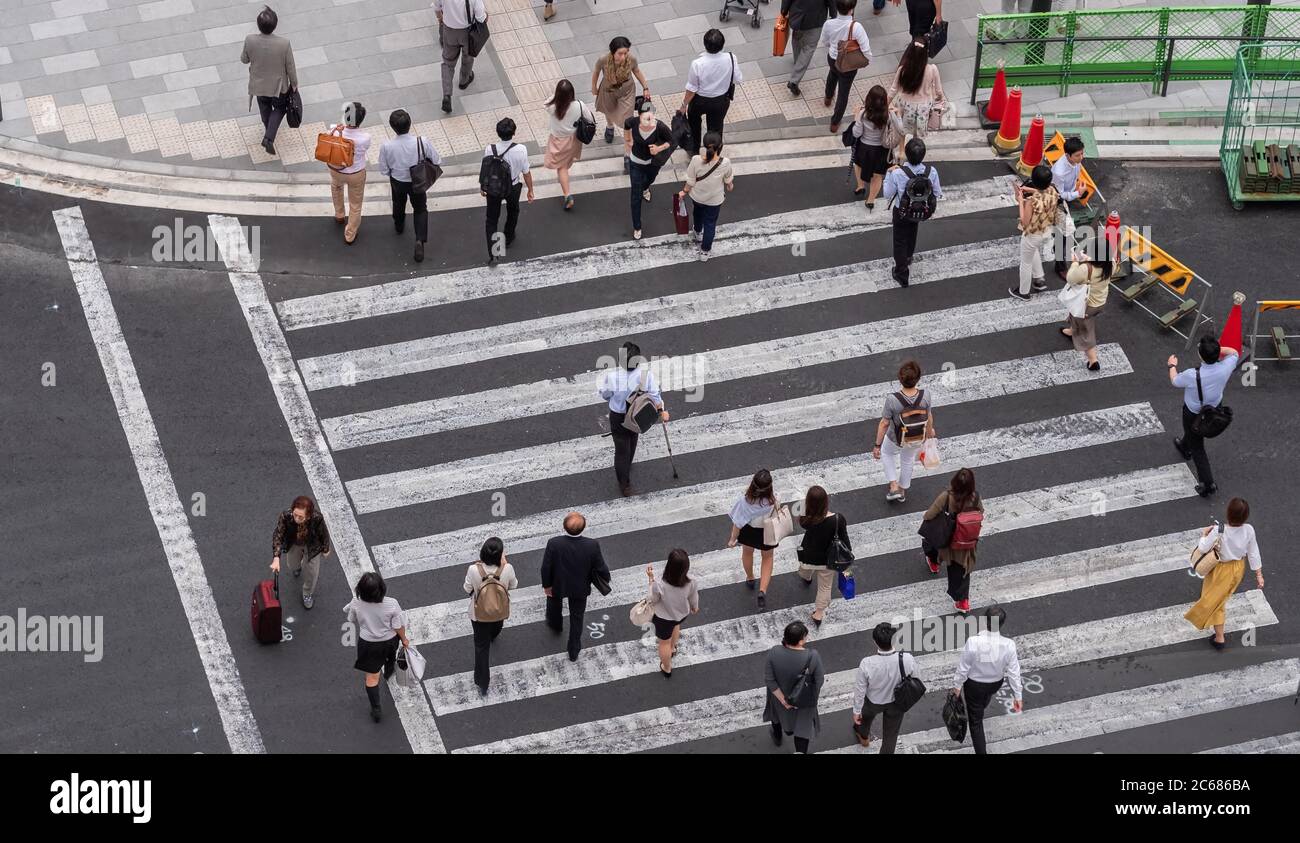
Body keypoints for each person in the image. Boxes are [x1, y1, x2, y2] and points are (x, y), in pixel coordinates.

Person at [1185, 498, 1264, 649]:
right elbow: (1253, 552)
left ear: (1228, 513)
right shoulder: (1249, 530)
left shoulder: (1219, 530)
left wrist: (1203, 534)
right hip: (1238, 568)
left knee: (1216, 602)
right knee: (1220, 598)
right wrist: (1259, 574)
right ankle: (1218, 634)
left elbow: (1202, 548)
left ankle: (1219, 638)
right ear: (1245, 516)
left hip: (1221, 570)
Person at [1170, 335, 1239, 497]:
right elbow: (1234, 352)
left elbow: (1175, 381)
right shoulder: (1227, 365)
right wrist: (1215, 351)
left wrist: (1171, 366)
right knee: (1192, 435)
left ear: (1200, 355)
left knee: (1198, 447)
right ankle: (1184, 445)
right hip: (1215, 407)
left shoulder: (1192, 375)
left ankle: (1208, 484)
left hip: (1193, 412)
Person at [597, 340, 669, 496]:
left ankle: (624, 484)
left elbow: (605, 395)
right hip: (638, 414)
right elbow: (655, 395)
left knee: (621, 450)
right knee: (633, 438)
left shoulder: (613, 377)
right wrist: (662, 410)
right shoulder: (645, 375)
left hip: (618, 416)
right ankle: (628, 464)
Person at [539, 512, 611, 662]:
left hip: (558, 584)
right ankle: (573, 650)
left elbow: (546, 567)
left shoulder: (554, 543)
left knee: (554, 604)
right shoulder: (592, 545)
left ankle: (555, 624)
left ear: (564, 527)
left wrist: (547, 585)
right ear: (583, 528)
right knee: (577, 617)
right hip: (580, 587)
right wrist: (606, 578)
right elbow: (601, 567)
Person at [952, 605, 1022, 754]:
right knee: (982, 702)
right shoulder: (1009, 645)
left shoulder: (973, 641)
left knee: (976, 722)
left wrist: (957, 687)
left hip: (974, 685)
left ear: (985, 621)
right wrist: (1018, 696)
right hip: (994, 684)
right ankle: (979, 708)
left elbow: (963, 667)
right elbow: (1014, 672)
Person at [345, 572, 410, 723]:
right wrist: (404, 639)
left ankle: (376, 709)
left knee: (372, 677)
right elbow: (398, 625)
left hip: (368, 643)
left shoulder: (356, 603)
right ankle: (389, 671)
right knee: (390, 655)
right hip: (389, 640)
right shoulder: (392, 604)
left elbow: (350, 618)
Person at [377, 109, 441, 263]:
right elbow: (437, 160)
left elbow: (383, 169)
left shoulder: (386, 146)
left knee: (398, 203)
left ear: (392, 127)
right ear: (410, 124)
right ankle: (419, 240)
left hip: (398, 181)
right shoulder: (422, 142)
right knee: (420, 208)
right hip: (418, 181)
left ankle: (399, 225)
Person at [881, 138, 942, 286]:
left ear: (906, 154)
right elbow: (937, 192)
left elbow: (887, 194)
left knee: (899, 240)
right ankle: (908, 257)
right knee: (912, 231)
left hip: (901, 211)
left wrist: (888, 174)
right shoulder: (931, 171)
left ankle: (901, 273)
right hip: (921, 209)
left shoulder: (897, 173)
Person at [920, 468, 983, 613]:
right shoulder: (975, 497)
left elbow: (930, 514)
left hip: (947, 539)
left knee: (931, 538)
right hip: (965, 541)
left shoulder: (947, 497)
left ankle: (934, 563)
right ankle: (962, 602)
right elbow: (981, 511)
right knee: (960, 571)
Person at [872, 359, 935, 503]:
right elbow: (929, 416)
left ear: (900, 378)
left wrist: (877, 445)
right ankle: (902, 491)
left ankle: (893, 485)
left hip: (896, 437)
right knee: (907, 460)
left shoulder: (892, 399)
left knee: (886, 453)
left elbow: (884, 423)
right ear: (918, 378)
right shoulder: (926, 395)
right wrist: (929, 433)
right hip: (917, 437)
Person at [852, 622, 917, 753]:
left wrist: (856, 710)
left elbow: (860, 689)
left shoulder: (867, 663)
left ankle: (863, 736)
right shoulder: (907, 659)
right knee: (891, 735)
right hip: (897, 703)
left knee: (865, 718)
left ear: (875, 642)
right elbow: (916, 678)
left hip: (873, 701)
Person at [240, 7, 298, 156]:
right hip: (279, 87)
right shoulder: (284, 44)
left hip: (259, 84)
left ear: (258, 25)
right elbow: (290, 66)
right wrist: (295, 83)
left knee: (264, 107)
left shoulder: (250, 40)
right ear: (275, 25)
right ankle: (269, 138)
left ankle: (268, 130)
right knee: (279, 108)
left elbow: (244, 60)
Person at [463, 536, 517, 695]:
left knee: (481, 648)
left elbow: (467, 589)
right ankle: (493, 634)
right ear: (500, 555)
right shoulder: (507, 568)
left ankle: (483, 683)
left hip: (479, 614)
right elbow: (514, 585)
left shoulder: (474, 569)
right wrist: (505, 565)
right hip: (499, 610)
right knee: (496, 625)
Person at [763, 621, 824, 753]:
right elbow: (819, 681)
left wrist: (783, 701)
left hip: (779, 699)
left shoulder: (774, 652)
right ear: (801, 641)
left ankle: (777, 737)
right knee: (802, 731)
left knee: (777, 718)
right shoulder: (812, 656)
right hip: (803, 703)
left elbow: (769, 680)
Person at [796, 485, 851, 628]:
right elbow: (844, 539)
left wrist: (805, 504)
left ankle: (806, 578)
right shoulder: (837, 519)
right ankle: (819, 614)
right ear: (826, 500)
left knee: (805, 569)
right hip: (829, 559)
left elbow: (801, 519)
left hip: (809, 554)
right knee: (825, 587)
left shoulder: (806, 518)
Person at [481, 117, 535, 264]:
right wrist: (530, 189)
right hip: (513, 186)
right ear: (514, 133)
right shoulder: (521, 150)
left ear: (498, 133)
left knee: (492, 219)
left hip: (493, 188)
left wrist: (483, 186)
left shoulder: (489, 149)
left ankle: (494, 254)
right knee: (513, 211)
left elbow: (486, 169)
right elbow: (526, 172)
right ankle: (508, 237)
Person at [680, 29, 742, 156]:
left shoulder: (697, 64)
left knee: (694, 124)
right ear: (722, 44)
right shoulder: (731, 58)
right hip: (720, 101)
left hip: (699, 100)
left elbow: (692, 88)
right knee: (716, 128)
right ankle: (714, 153)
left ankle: (694, 150)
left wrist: (684, 105)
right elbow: (738, 79)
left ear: (705, 44)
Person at [1008, 163, 1065, 301]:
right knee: (1033, 252)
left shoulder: (1031, 202)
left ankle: (1023, 292)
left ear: (1034, 181)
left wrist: (1021, 201)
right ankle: (1039, 280)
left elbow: (1024, 221)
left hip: (1032, 234)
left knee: (1026, 262)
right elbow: (1043, 193)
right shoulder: (1052, 190)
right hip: (1046, 230)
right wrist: (1026, 189)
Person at [677, 131, 734, 261]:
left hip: (697, 196)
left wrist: (684, 192)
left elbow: (690, 181)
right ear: (720, 146)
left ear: (704, 145)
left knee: (697, 213)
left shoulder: (696, 160)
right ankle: (705, 252)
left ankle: (697, 232)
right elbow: (728, 181)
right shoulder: (725, 162)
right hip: (715, 200)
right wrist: (730, 186)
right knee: (710, 223)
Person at [728, 469, 781, 609]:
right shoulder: (774, 500)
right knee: (767, 558)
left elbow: (737, 523)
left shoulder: (745, 502)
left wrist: (733, 539)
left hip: (748, 531)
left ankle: (750, 578)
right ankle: (762, 590)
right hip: (766, 532)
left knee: (747, 553)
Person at [1059, 232, 1112, 371]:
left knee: (1085, 332)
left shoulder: (1085, 268)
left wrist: (1075, 261)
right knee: (1076, 317)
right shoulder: (1110, 264)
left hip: (1086, 306)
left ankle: (1093, 361)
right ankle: (1071, 331)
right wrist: (1087, 259)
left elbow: (1070, 278)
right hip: (1100, 301)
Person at [591, 37, 651, 156]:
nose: (623, 57)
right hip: (608, 89)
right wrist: (594, 86)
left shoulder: (631, 59)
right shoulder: (603, 60)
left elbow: (637, 71)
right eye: (620, 53)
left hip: (627, 91)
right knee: (608, 109)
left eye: (626, 52)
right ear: (613, 52)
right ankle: (609, 126)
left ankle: (627, 153)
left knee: (627, 121)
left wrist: (645, 87)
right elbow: (596, 71)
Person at [818, 0, 872, 134]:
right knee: (844, 92)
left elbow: (825, 41)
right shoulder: (857, 27)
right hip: (849, 64)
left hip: (833, 58)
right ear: (852, 9)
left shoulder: (828, 24)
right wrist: (868, 60)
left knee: (832, 75)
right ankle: (835, 122)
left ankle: (828, 97)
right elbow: (866, 49)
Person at [270, 495, 331, 609]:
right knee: (292, 565)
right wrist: (276, 557)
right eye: (295, 515)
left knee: (312, 573)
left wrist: (325, 548)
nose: (297, 519)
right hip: (294, 543)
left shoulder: (317, 518)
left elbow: (323, 533)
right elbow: (278, 535)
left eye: (301, 517)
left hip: (312, 546)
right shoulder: (286, 516)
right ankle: (297, 568)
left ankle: (307, 593)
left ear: (308, 516)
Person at [623, 101, 674, 240]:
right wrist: (627, 138)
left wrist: (659, 148)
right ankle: (637, 226)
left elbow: (671, 140)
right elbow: (626, 124)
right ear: (639, 116)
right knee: (635, 195)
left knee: (650, 180)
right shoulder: (633, 122)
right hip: (636, 163)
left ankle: (646, 188)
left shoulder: (660, 126)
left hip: (653, 163)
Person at [646, 549, 700, 677]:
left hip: (663, 618)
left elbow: (652, 599)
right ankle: (673, 648)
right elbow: (694, 596)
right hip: (681, 615)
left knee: (663, 642)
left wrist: (651, 580)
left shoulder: (659, 583)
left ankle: (667, 667)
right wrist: (695, 607)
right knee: (675, 626)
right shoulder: (691, 581)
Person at [889, 40, 945, 160]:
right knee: (917, 132)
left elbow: (893, 89)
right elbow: (939, 92)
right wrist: (939, 99)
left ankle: (901, 151)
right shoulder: (932, 69)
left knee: (901, 128)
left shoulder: (903, 69)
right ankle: (914, 152)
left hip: (903, 104)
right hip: (922, 107)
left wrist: (886, 104)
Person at [851, 85, 905, 208]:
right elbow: (901, 130)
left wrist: (856, 117)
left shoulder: (862, 114)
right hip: (881, 150)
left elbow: (856, 133)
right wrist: (899, 115)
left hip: (864, 148)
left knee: (858, 166)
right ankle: (870, 200)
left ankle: (860, 186)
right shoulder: (889, 115)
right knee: (877, 175)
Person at [325, 101, 371, 245]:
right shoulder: (365, 138)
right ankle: (350, 234)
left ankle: (339, 214)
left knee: (336, 188)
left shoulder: (333, 130)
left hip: (336, 170)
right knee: (355, 204)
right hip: (356, 173)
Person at [434, 0, 487, 114]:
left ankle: (447, 95)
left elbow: (437, 8)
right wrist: (487, 16)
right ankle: (464, 80)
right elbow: (481, 17)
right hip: (467, 32)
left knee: (448, 62)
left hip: (449, 31)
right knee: (468, 56)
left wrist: (441, 20)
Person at [544, 79, 586, 211]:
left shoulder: (552, 107)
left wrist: (555, 96)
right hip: (573, 140)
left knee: (561, 168)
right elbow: (589, 118)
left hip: (558, 141)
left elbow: (546, 102)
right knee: (566, 163)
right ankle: (566, 188)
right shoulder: (579, 105)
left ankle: (567, 195)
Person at [780, 0, 834, 97]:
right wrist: (834, 15)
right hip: (815, 19)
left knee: (796, 40)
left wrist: (784, 10)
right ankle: (794, 80)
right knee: (809, 48)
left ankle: (797, 62)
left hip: (797, 16)